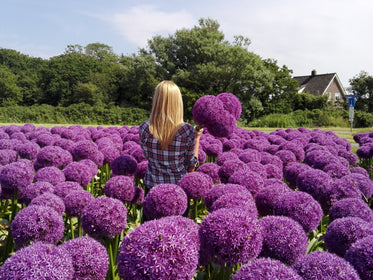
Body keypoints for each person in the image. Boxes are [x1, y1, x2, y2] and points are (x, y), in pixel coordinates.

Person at [139, 80, 203, 190]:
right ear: (178, 103)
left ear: (156, 101)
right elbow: (191, 167)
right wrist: (197, 138)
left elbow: (147, 157)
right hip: (178, 192)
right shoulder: (186, 130)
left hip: (152, 189)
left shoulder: (145, 128)